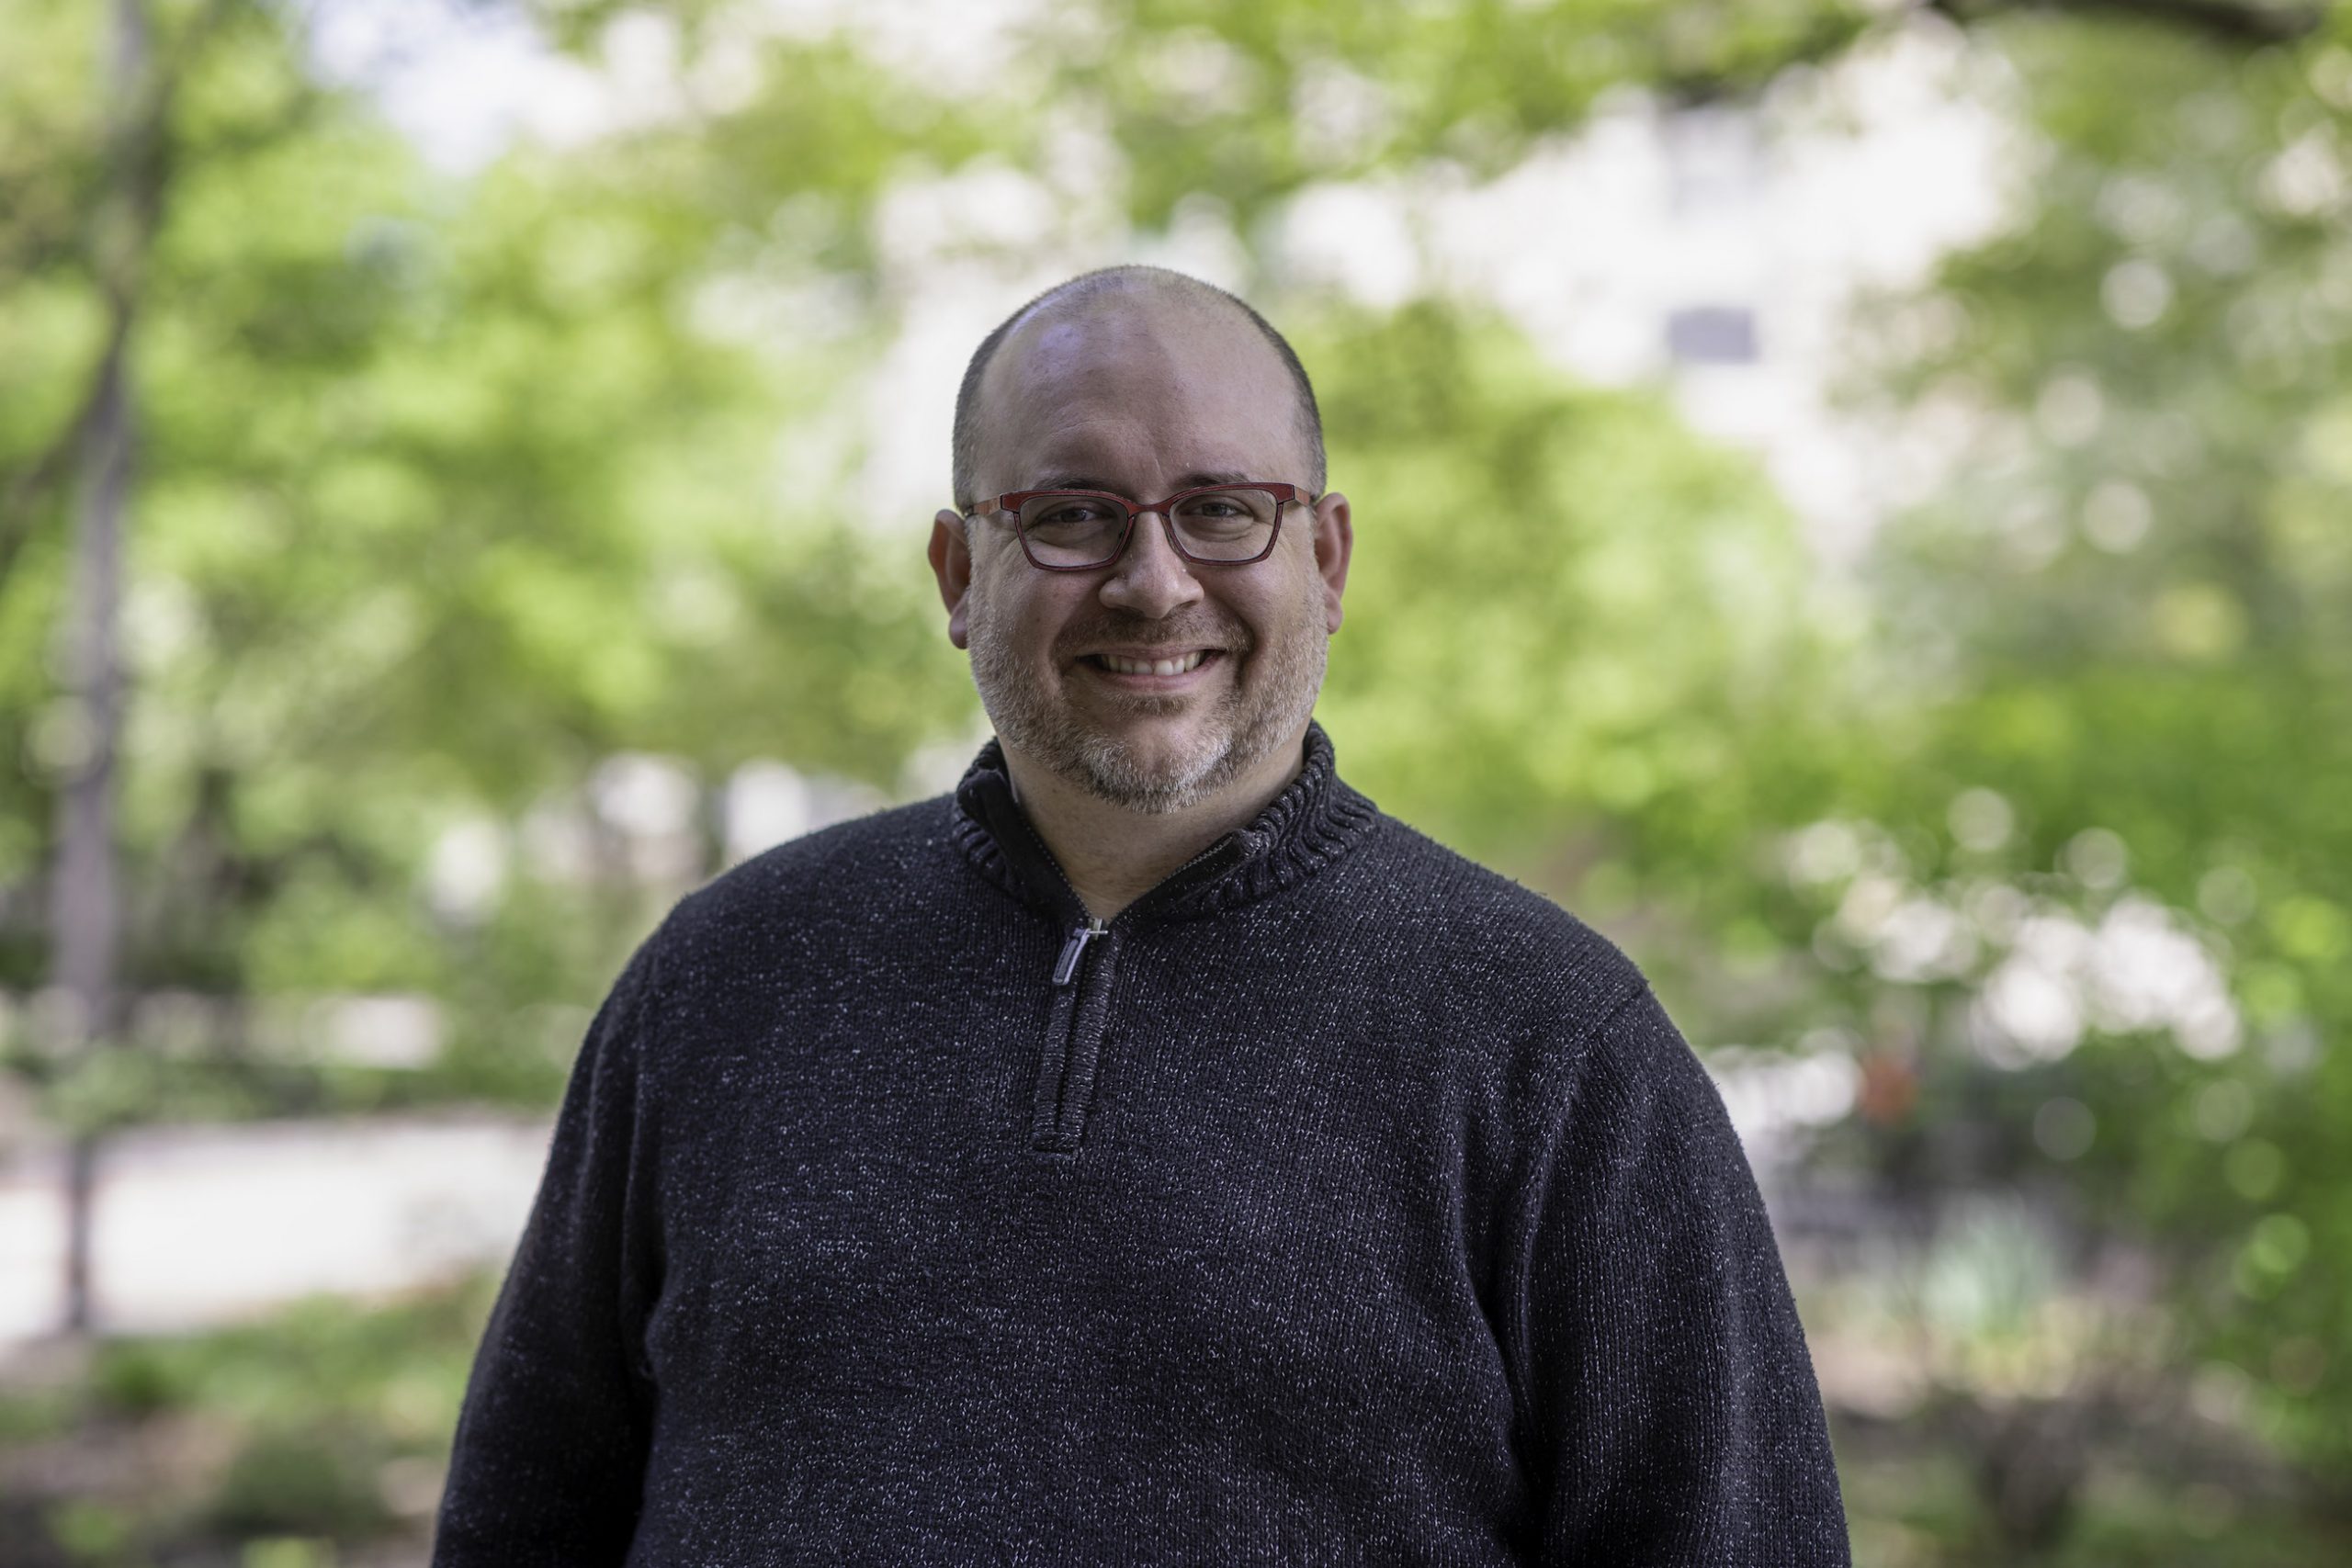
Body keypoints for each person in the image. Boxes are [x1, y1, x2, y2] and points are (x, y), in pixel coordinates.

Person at [432, 265, 1851, 1564]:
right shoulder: (727, 979)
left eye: (1223, 510)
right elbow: (523, 1513)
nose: (1153, 580)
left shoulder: (1551, 1042)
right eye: (1069, 516)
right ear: (955, 574)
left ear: (1329, 560)